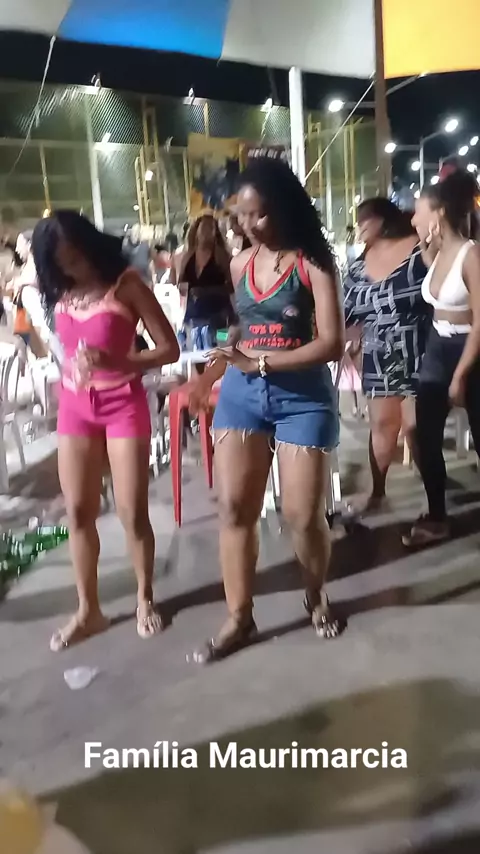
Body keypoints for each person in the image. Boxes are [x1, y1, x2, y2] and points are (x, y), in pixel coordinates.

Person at [188, 157, 345, 663]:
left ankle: (315, 594)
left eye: (258, 213)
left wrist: (260, 362)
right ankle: (239, 617)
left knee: (301, 514)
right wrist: (211, 373)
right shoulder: (240, 264)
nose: (248, 224)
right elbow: (244, 330)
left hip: (303, 398)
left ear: (283, 207)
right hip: (242, 395)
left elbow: (332, 343)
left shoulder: (313, 262)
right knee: (235, 508)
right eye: (240, 214)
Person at [31, 211, 179, 650]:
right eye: (61, 263)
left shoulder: (125, 284)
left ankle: (144, 597)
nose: (72, 269)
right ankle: (88, 610)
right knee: (78, 511)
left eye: (75, 257)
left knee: (132, 511)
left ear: (89, 245)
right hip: (75, 406)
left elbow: (169, 349)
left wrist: (120, 361)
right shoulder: (59, 289)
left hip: (122, 404)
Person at [405, 171, 480, 545]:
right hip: (437, 347)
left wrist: (461, 374)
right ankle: (437, 515)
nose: (412, 219)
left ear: (438, 213)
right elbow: (431, 285)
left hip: (470, 349)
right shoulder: (436, 253)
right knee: (424, 435)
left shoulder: (471, 254)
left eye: (418, 212)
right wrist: (427, 242)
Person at [344, 198, 430, 512]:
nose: (360, 226)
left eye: (366, 218)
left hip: (419, 349)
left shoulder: (420, 252)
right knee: (381, 424)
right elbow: (347, 313)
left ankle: (435, 502)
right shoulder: (357, 267)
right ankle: (377, 492)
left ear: (384, 219)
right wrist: (351, 346)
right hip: (377, 354)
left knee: (416, 427)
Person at [176, 214, 236, 351]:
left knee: (222, 348)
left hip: (220, 317)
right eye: (203, 228)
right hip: (194, 317)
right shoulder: (188, 257)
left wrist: (207, 291)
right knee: (196, 351)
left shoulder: (222, 256)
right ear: (196, 231)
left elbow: (231, 287)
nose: (206, 232)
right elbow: (181, 283)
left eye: (210, 228)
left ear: (215, 232)